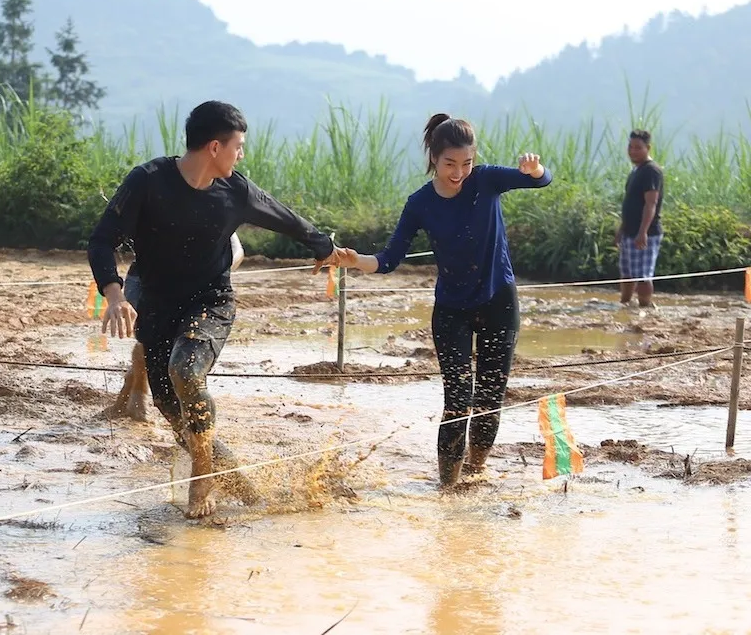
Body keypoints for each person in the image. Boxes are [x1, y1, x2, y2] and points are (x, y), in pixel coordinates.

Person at [87, 100, 340, 518]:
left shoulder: (235, 190)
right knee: (173, 410)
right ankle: (246, 487)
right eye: (238, 146)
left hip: (211, 302)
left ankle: (201, 479)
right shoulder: (147, 182)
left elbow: (287, 219)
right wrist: (114, 295)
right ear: (213, 147)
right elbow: (101, 240)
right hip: (158, 305)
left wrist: (326, 249)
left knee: (186, 369)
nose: (241, 154)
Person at [322, 113, 552, 488]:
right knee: (458, 397)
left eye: (466, 163)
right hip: (452, 310)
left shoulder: (487, 180)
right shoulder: (421, 203)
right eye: (449, 164)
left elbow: (541, 181)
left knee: (491, 395)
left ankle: (477, 473)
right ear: (434, 157)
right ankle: (447, 487)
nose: (459, 172)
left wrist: (536, 169)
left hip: (499, 303)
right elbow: (389, 259)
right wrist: (354, 260)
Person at [105, 233, 245, 422]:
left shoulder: (219, 207)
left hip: (196, 287)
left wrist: (214, 268)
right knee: (150, 336)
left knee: (184, 346)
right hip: (147, 279)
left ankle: (129, 395)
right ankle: (138, 394)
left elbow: (237, 251)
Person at [616, 130, 664, 309]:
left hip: (646, 233)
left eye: (638, 148)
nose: (633, 151)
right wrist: (622, 229)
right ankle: (624, 305)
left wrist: (643, 232)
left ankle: (645, 307)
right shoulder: (636, 171)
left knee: (643, 275)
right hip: (629, 231)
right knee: (627, 273)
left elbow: (651, 203)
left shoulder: (651, 171)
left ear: (648, 148)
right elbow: (631, 203)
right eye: (630, 147)